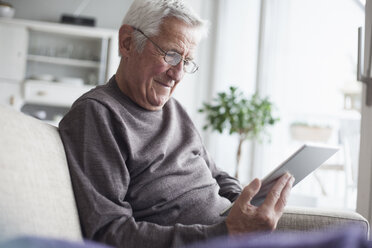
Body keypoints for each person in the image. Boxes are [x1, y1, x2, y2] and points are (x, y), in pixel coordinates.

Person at [58, 0, 294, 247]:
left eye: (187, 61)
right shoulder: (97, 115)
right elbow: (109, 231)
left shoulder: (174, 110)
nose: (178, 74)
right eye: (171, 55)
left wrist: (244, 206)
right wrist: (225, 233)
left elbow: (217, 176)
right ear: (127, 43)